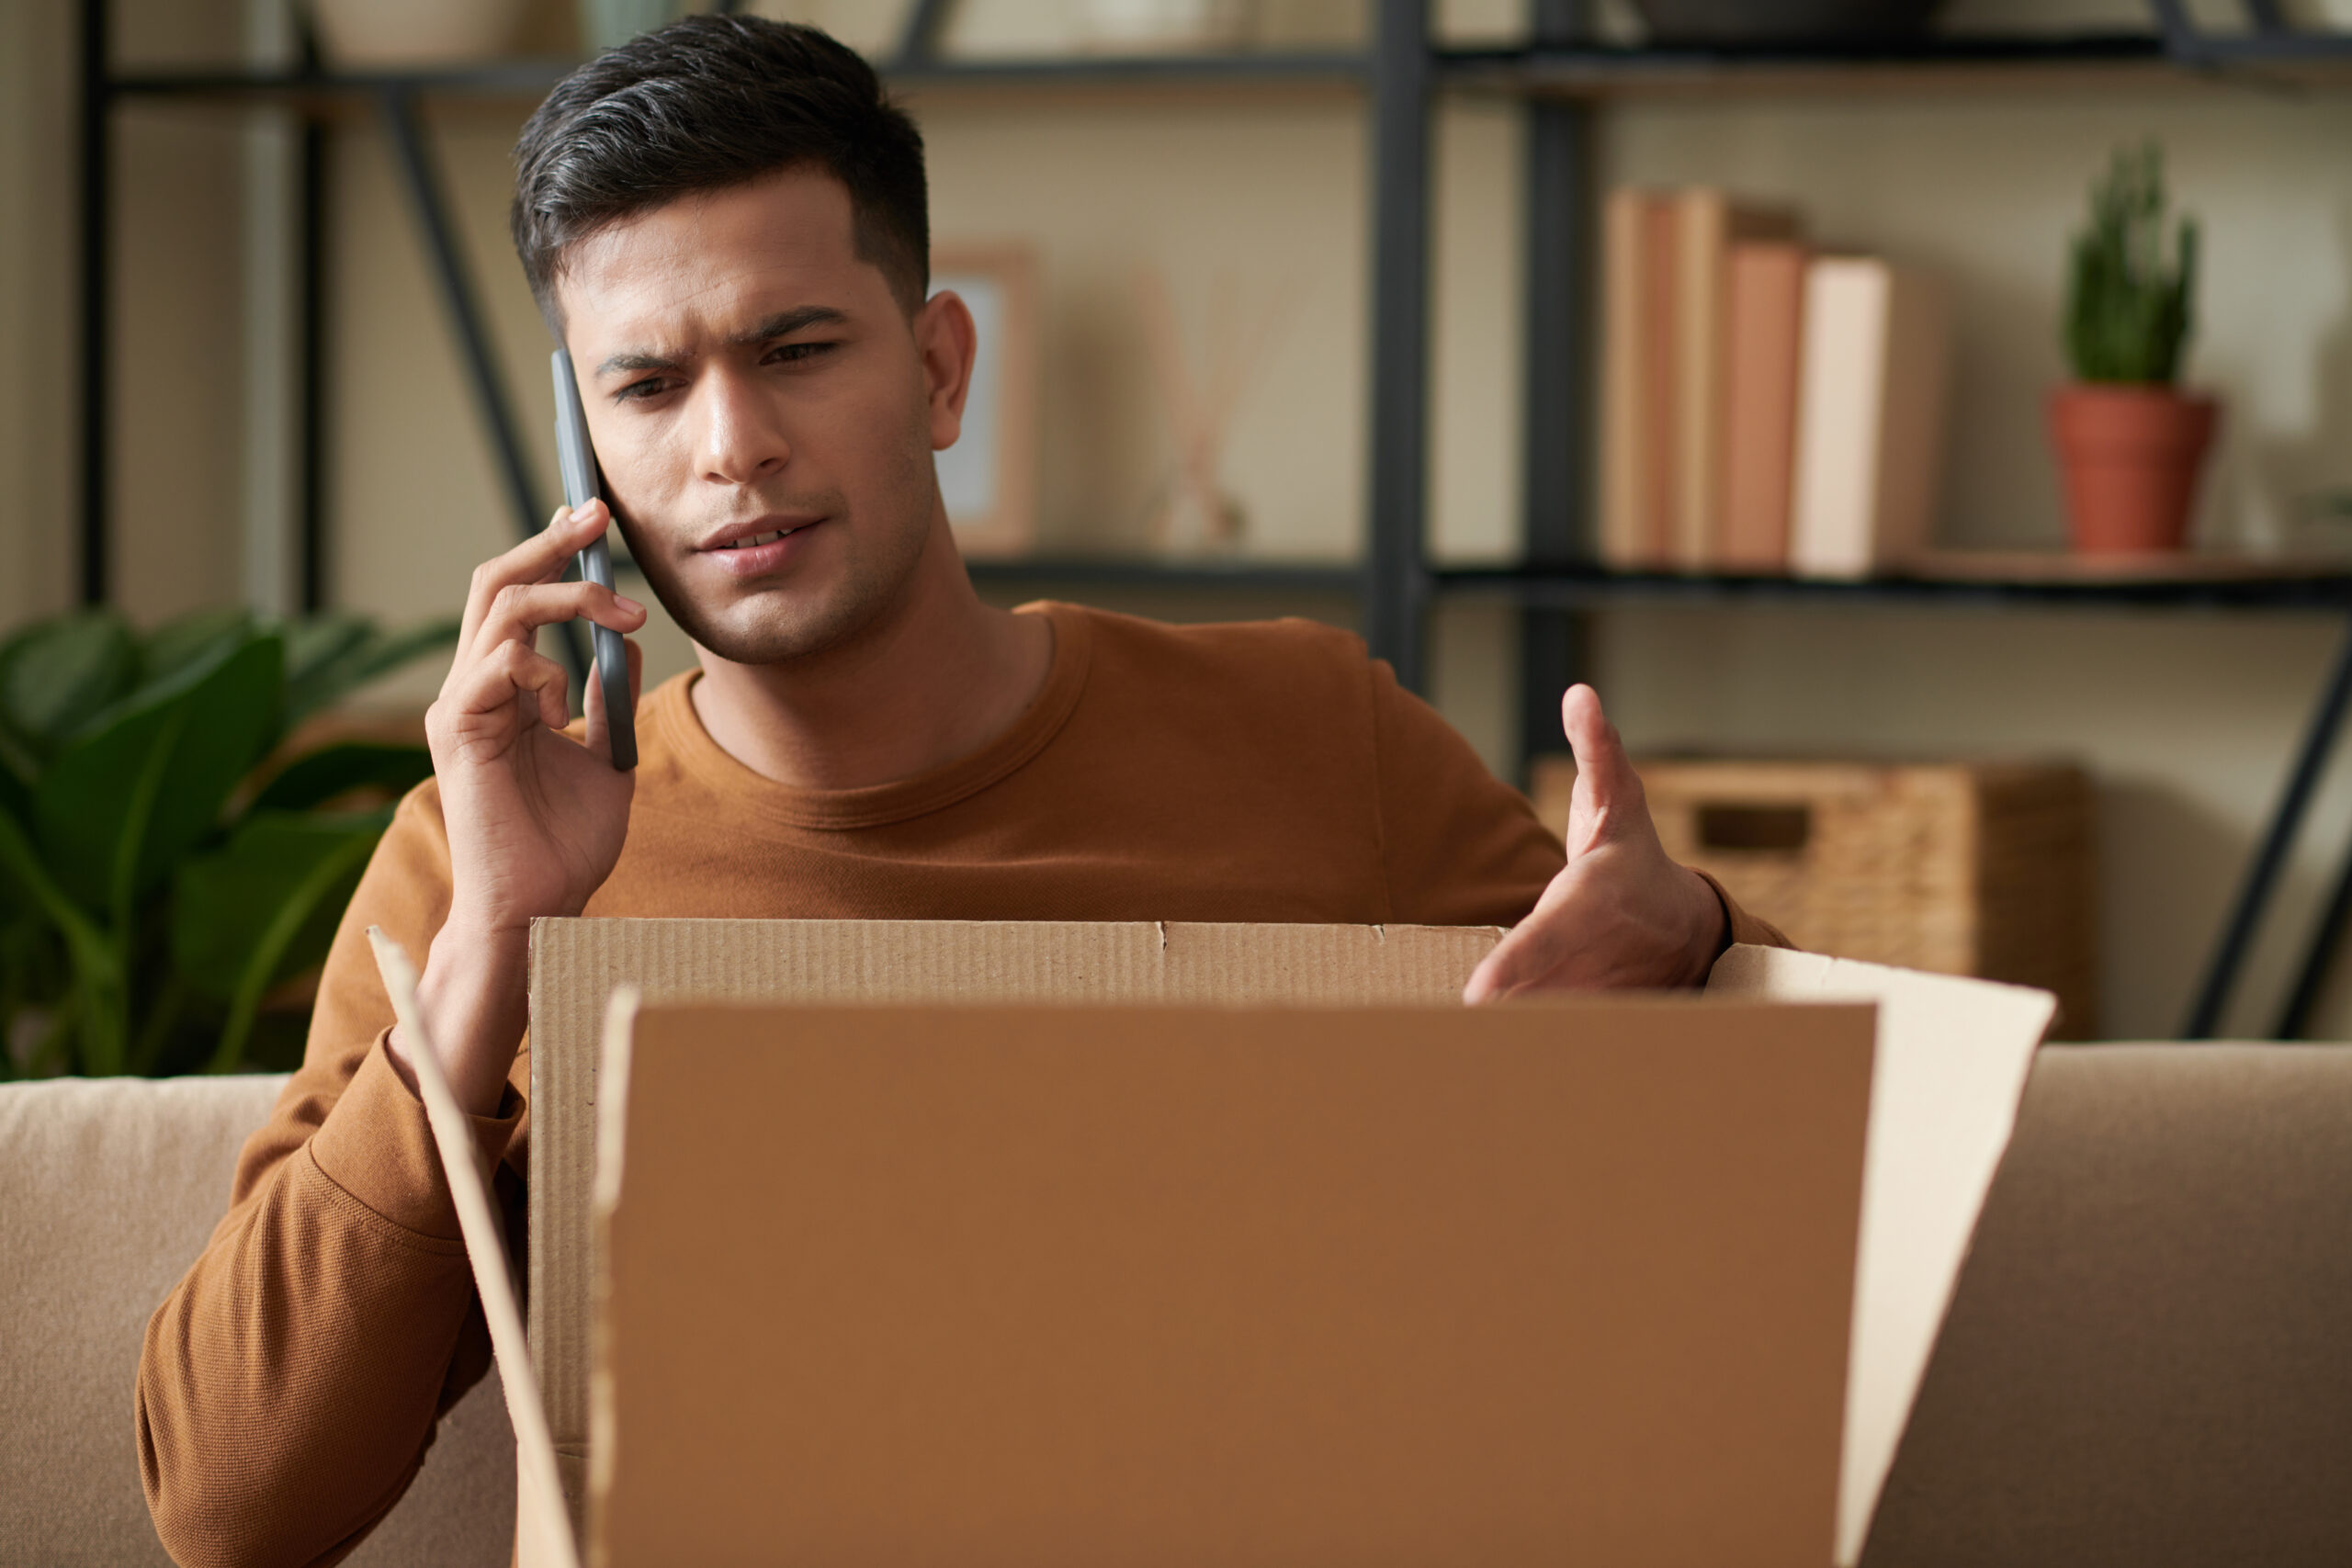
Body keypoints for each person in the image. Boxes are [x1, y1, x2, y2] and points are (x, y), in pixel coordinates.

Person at [135, 17, 1788, 1566]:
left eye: (795, 348)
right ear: (584, 456)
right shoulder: (479, 856)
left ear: (937, 372)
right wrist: (500, 948)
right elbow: (227, 1505)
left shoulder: (1308, 729)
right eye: (647, 388)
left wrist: (1695, 928)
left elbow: (1773, 1170)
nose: (733, 447)